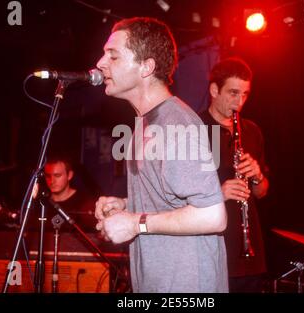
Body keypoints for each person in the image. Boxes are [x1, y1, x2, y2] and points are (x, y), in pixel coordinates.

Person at [94, 17, 228, 293]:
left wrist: (134, 223)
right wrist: (126, 205)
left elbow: (213, 216)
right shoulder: (145, 123)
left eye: (113, 55)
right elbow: (169, 199)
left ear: (147, 67)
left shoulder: (175, 124)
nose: (100, 63)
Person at [199, 58, 270, 292]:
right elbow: (175, 197)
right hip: (212, 250)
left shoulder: (252, 130)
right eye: (233, 93)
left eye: (245, 94)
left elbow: (262, 193)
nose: (240, 102)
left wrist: (257, 176)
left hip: (249, 257)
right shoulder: (193, 129)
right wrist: (218, 194)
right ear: (214, 90)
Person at [43, 156, 98, 232]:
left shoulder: (85, 201)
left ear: (70, 175)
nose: (52, 181)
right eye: (48, 176)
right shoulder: (41, 203)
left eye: (57, 175)